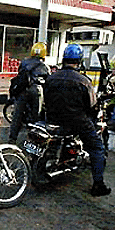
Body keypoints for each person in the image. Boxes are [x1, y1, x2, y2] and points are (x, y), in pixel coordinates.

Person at [44, 44, 111, 197]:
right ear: (79, 61)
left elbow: (46, 100)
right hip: (77, 122)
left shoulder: (51, 78)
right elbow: (92, 105)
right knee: (97, 148)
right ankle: (98, 185)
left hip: (53, 120)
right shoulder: (83, 81)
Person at [9, 42, 50, 143]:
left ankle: (12, 138)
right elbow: (48, 81)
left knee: (17, 114)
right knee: (36, 116)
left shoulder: (24, 62)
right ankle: (33, 140)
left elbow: (20, 74)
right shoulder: (45, 66)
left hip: (23, 90)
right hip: (37, 91)